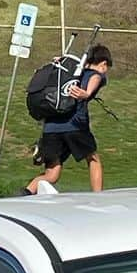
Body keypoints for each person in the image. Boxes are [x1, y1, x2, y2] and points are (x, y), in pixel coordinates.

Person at [24, 44, 113, 195]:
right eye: (107, 67)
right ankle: (98, 197)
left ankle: (24, 193)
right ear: (103, 63)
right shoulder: (94, 74)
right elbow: (95, 80)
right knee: (93, 159)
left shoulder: (69, 71)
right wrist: (87, 93)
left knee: (52, 174)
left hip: (51, 128)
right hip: (75, 127)